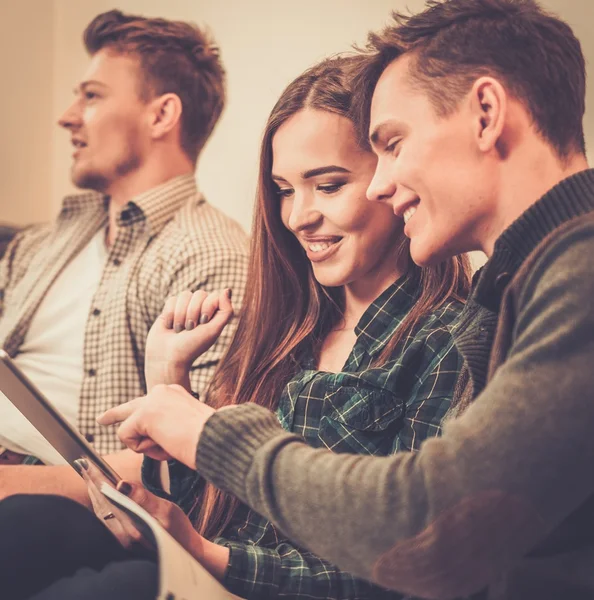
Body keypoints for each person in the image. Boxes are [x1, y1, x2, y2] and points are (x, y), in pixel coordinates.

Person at [98, 1, 594, 599]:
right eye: (285, 190)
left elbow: (427, 529)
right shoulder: (524, 282)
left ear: (486, 114)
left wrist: (210, 436)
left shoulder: (572, 278)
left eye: (392, 143)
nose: (383, 184)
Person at [0, 57, 471, 599]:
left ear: (391, 180)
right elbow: (214, 501)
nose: (298, 217)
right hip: (207, 562)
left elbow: (405, 568)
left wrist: (204, 553)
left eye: (329, 185)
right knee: (26, 526)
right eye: (285, 190)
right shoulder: (289, 327)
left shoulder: (444, 341)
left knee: (116, 586)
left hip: (260, 584)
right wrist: (168, 381)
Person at [0, 9, 248, 501]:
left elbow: (200, 459)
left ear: (161, 115)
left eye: (91, 96)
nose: (67, 116)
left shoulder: (212, 257)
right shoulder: (44, 242)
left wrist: (14, 483)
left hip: (53, 496)